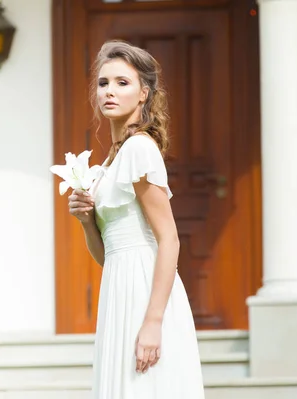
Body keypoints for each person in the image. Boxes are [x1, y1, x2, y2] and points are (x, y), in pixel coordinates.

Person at [67, 40, 205, 399]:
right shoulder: (108, 164)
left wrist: (153, 322)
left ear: (144, 93)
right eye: (103, 83)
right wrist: (86, 221)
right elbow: (106, 255)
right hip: (118, 289)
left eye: (122, 82)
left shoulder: (139, 149)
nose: (109, 91)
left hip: (146, 292)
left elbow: (169, 239)